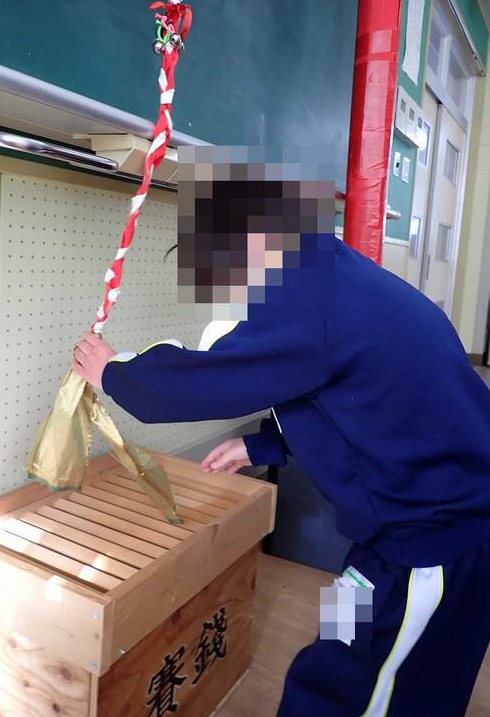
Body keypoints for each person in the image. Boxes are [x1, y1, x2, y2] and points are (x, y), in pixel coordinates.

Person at [72, 178, 490, 716]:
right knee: (336, 643)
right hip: (390, 538)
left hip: (434, 545)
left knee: (370, 689)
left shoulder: (306, 295)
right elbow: (348, 397)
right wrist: (262, 446)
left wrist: (114, 373)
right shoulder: (331, 274)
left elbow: (211, 379)